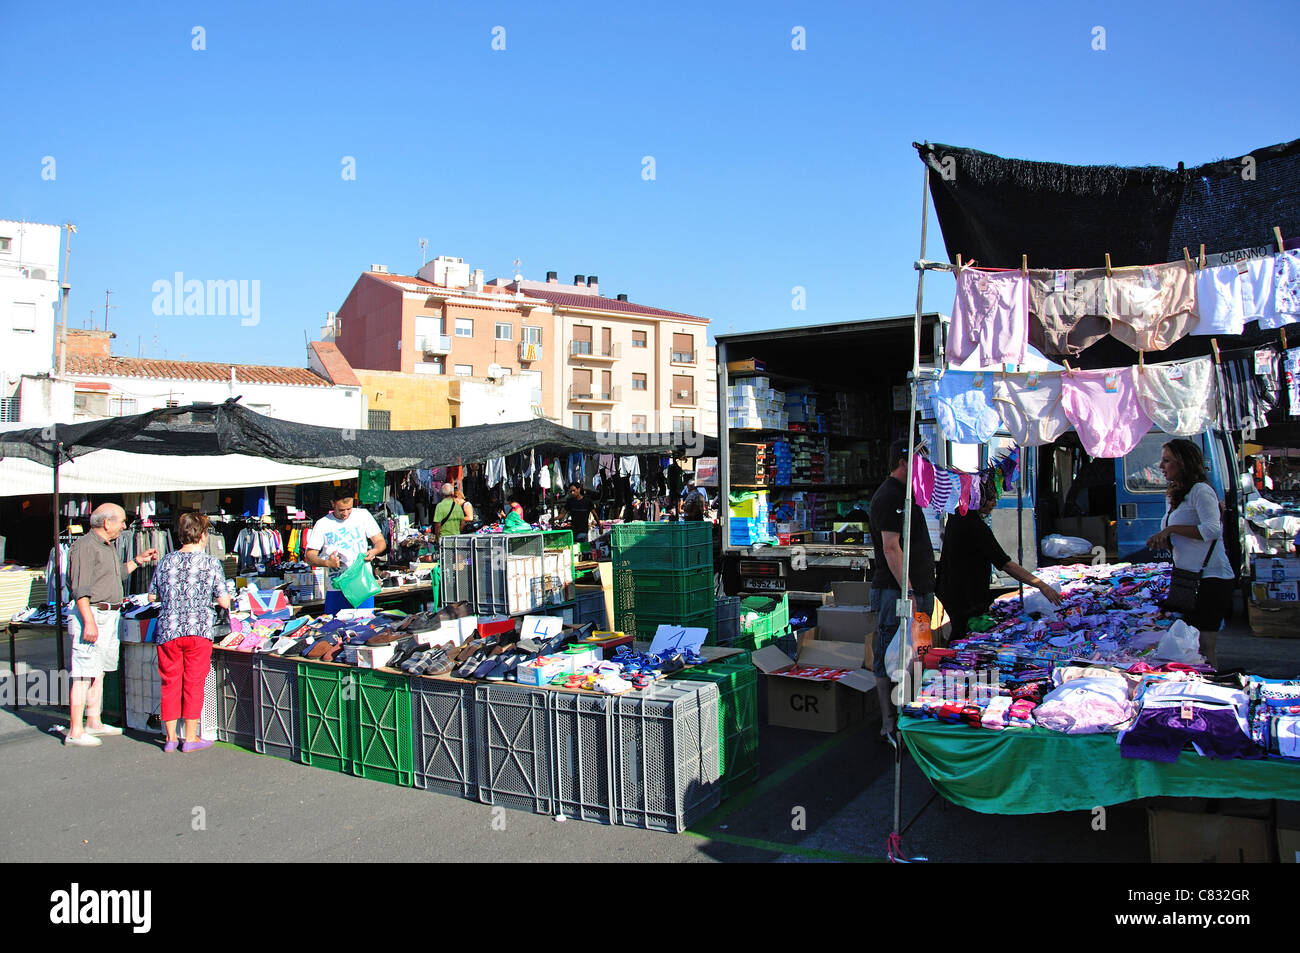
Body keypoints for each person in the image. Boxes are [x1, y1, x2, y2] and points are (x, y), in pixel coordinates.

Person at [64, 503, 159, 747]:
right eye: (121, 521)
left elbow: (118, 575)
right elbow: (80, 589)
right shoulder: (85, 547)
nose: (125, 526)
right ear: (107, 523)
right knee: (84, 672)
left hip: (107, 614)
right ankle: (75, 730)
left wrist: (138, 561)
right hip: (93, 614)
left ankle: (93, 720)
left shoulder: (107, 546)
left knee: (98, 670)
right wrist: (88, 622)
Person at [868, 439, 937, 744]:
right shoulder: (889, 496)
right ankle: (889, 722)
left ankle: (908, 713)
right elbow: (891, 547)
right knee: (890, 655)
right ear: (902, 462)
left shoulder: (909, 494)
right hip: (897, 594)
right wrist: (906, 591)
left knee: (915, 655)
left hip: (917, 591)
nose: (923, 467)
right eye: (918, 461)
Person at [147, 512, 232, 752]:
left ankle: (171, 738)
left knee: (170, 682)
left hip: (168, 629)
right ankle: (191, 737)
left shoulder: (166, 561)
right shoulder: (210, 562)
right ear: (203, 535)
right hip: (198, 629)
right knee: (194, 683)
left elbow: (153, 595)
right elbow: (224, 600)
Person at [938, 477, 1063, 640]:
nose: (995, 504)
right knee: (963, 638)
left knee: (956, 637)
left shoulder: (956, 518)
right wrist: (1040, 585)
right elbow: (1005, 564)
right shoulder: (976, 528)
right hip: (966, 600)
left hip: (952, 594)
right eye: (992, 499)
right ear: (980, 498)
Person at [1145, 438, 1234, 666]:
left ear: (1183, 463)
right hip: (1187, 578)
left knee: (1204, 646)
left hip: (1211, 579)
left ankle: (1210, 692)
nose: (1161, 466)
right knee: (1190, 645)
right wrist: (1164, 540)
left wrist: (1172, 529)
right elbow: (1182, 536)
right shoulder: (1174, 496)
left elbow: (1212, 530)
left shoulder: (1201, 491)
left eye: (1167, 461)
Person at [304, 484, 386, 615]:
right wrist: (327, 563)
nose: (346, 513)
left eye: (349, 509)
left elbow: (380, 542)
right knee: (335, 628)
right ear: (332, 504)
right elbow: (309, 556)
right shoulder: (322, 524)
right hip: (336, 587)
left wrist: (374, 551)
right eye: (341, 510)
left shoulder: (363, 515)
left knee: (365, 627)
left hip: (362, 585)